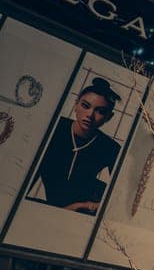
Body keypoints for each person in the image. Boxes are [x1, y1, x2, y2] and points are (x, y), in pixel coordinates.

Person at [30, 77, 121, 215]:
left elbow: (122, 196)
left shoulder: (110, 147)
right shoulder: (53, 128)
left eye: (100, 111)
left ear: (109, 117)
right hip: (48, 210)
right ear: (75, 105)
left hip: (80, 212)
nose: (90, 115)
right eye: (85, 106)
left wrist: (85, 205)